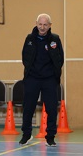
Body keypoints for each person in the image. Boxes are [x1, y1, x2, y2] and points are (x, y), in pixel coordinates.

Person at [19, 14, 64, 147]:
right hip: (32, 78)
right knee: (28, 108)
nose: (42, 27)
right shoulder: (30, 39)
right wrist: (30, 71)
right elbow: (24, 57)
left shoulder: (55, 40)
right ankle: (26, 135)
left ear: (50, 25)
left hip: (49, 79)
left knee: (51, 108)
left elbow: (59, 58)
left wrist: (54, 73)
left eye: (45, 25)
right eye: (40, 24)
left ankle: (50, 137)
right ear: (36, 24)